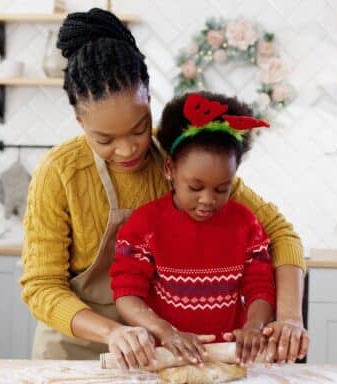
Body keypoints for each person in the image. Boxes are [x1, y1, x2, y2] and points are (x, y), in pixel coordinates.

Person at [19, 7, 308, 370]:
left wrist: (290, 318)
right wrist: (114, 333)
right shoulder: (59, 173)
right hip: (74, 351)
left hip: (160, 352)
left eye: (139, 129)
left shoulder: (179, 160)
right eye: (104, 139)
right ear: (80, 120)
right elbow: (42, 285)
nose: (128, 150)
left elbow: (281, 233)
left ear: (149, 99)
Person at [110, 92, 276, 368]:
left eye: (222, 188)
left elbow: (260, 287)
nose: (208, 200)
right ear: (170, 169)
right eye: (195, 187)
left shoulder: (246, 223)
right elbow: (127, 294)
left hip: (228, 359)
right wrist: (165, 331)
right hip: (164, 359)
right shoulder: (144, 226)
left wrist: (255, 325)